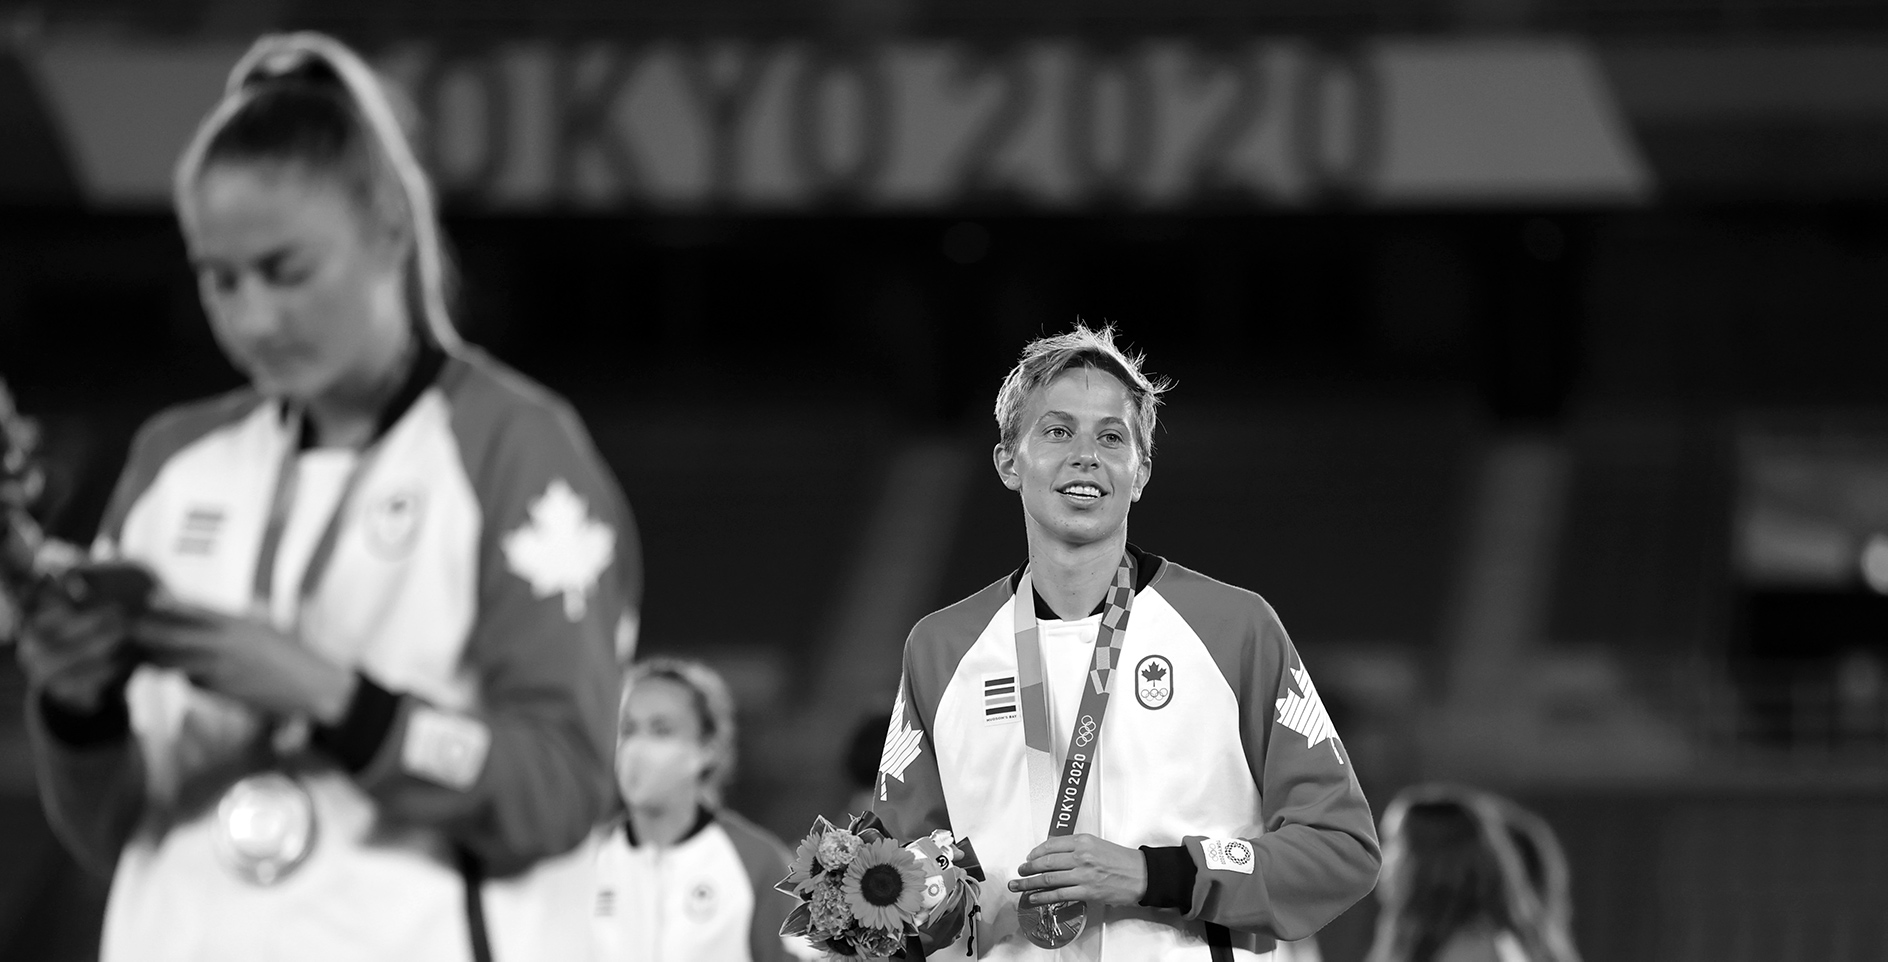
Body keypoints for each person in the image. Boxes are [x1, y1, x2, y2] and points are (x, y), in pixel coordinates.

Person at [16, 32, 640, 962]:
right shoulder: (173, 459)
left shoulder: (515, 449)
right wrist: (77, 709)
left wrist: (331, 696)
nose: (253, 319)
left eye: (287, 271)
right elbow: (108, 825)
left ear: (389, 227)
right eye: (219, 280)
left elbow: (559, 789)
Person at [874, 323, 1380, 960]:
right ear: (1009, 461)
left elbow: (1341, 848)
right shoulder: (941, 648)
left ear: (1139, 472)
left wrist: (1156, 873)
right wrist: (909, 903)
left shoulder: (1235, 628)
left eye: (1111, 437)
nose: (1086, 455)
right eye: (1057, 431)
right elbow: (891, 883)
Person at [592, 658, 815, 961]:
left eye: (661, 730)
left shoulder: (757, 862)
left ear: (707, 747)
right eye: (628, 730)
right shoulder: (586, 860)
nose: (638, 747)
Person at [1367, 785, 1580, 962]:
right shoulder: (1427, 943)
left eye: (1394, 843)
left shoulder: (1474, 949)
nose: (1384, 859)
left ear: (1433, 865)